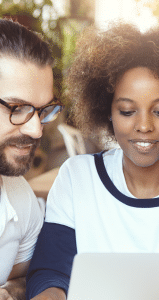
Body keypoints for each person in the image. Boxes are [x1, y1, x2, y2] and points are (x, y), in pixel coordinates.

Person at [26, 23, 159, 300]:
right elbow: (51, 272)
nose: (144, 126)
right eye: (127, 111)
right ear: (108, 112)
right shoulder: (77, 177)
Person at [0, 19, 64, 300]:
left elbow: (25, 276)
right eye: (17, 108)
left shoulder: (19, 197)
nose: (36, 129)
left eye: (42, 110)